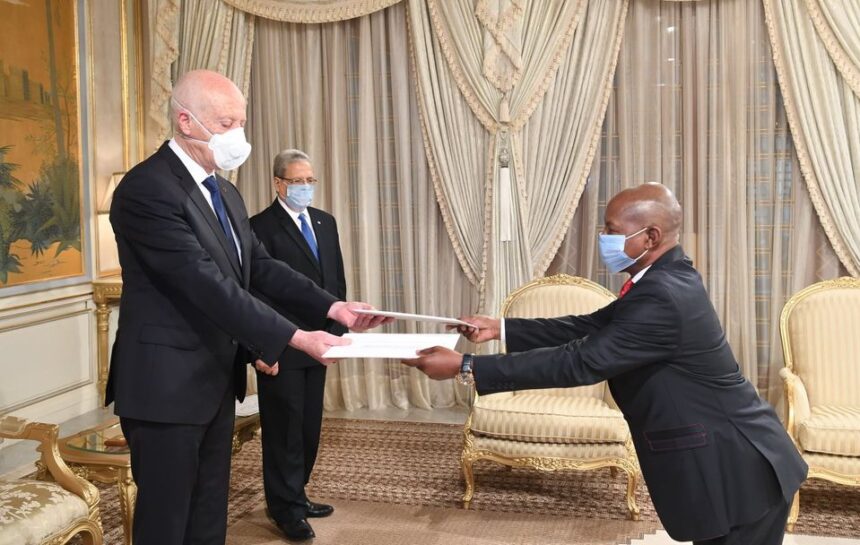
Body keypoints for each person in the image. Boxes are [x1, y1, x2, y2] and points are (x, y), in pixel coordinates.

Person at [403, 183, 807, 545]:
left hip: (740, 468)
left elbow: (581, 362)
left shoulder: (663, 294)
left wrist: (467, 366)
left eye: (611, 230)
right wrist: (500, 328)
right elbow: (589, 325)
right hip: (728, 459)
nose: (603, 238)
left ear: (650, 236)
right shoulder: (663, 278)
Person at [108, 70, 388, 545]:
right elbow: (207, 284)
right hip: (165, 386)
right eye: (226, 123)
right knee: (167, 521)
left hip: (213, 378)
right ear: (186, 121)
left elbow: (258, 266)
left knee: (208, 513)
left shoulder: (224, 191)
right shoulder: (147, 189)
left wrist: (334, 307)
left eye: (240, 122)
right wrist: (295, 337)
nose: (238, 135)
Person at [249, 149, 345, 541]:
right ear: (278, 183)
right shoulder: (258, 227)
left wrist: (337, 334)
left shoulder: (325, 222)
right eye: (297, 181)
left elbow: (334, 282)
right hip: (282, 344)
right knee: (283, 430)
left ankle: (297, 494)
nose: (305, 187)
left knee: (308, 428)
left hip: (320, 343)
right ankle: (284, 509)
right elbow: (254, 294)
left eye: (310, 180)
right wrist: (261, 348)